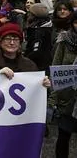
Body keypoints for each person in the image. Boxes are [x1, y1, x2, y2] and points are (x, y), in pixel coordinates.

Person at [48, 11, 77, 158]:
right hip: (67, 99)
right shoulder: (65, 41)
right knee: (63, 137)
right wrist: (53, 99)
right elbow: (56, 69)